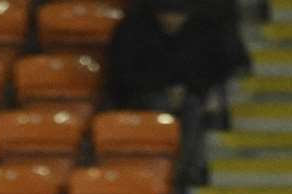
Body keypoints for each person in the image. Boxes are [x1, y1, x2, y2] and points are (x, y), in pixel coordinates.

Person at [105, 0, 249, 182]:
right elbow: (123, 73)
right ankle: (159, 172)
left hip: (190, 94)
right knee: (160, 107)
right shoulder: (134, 29)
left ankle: (183, 172)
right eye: (167, 15)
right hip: (140, 97)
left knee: (193, 108)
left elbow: (212, 67)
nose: (172, 20)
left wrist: (189, 88)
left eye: (178, 16)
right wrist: (160, 88)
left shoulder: (203, 32)